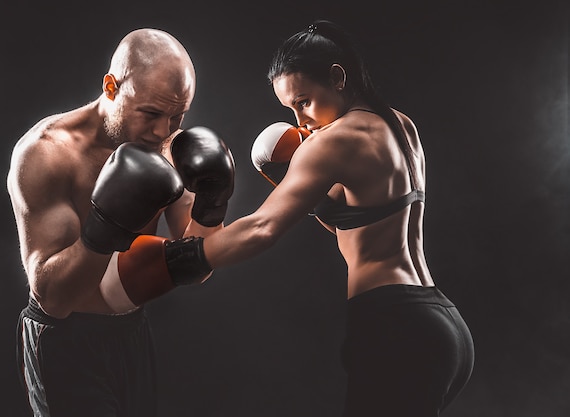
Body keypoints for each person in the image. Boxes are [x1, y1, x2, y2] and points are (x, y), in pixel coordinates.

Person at [161, 20, 475, 416]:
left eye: (303, 101)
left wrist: (178, 258)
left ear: (338, 78)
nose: (299, 120)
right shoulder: (400, 125)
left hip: (396, 327)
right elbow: (351, 223)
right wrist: (290, 179)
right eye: (290, 108)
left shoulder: (331, 142)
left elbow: (262, 228)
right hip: (441, 321)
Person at [6, 28, 235, 416]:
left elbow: (198, 266)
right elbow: (53, 297)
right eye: (150, 113)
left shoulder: (169, 147)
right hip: (65, 339)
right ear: (111, 86)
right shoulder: (46, 155)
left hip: (130, 333)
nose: (162, 131)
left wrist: (211, 205)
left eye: (177, 116)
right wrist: (107, 226)